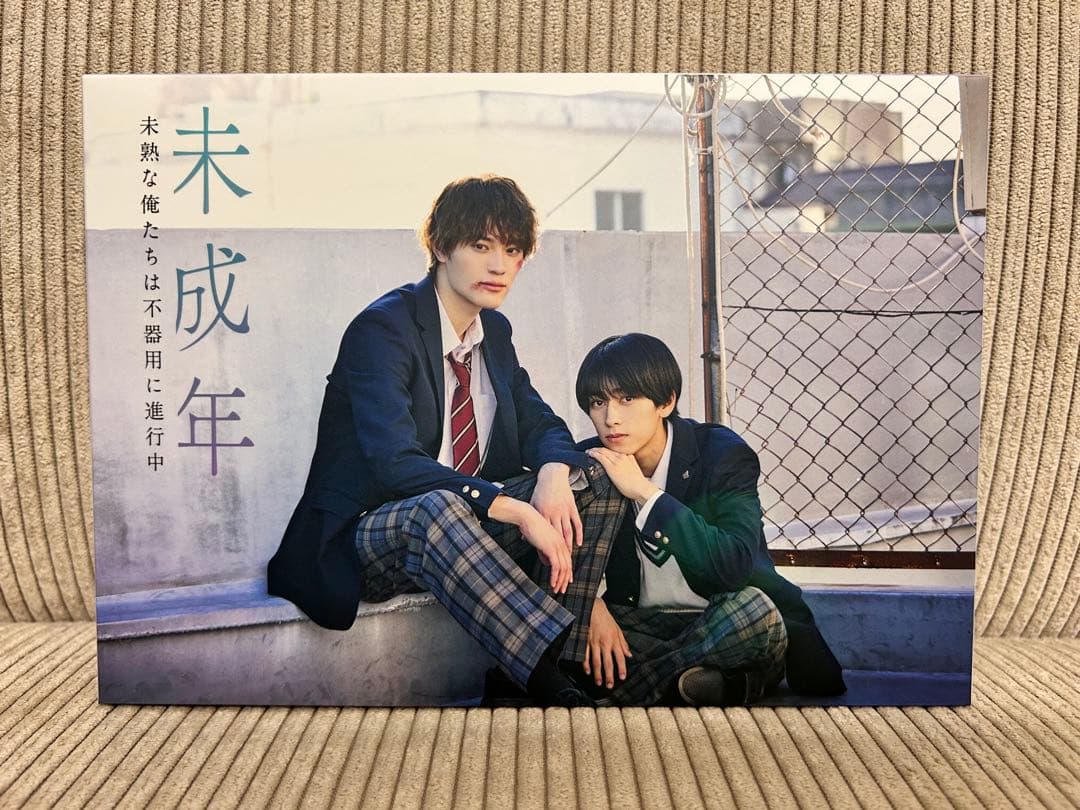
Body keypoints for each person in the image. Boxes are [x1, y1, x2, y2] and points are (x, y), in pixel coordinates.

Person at [267, 176, 626, 707]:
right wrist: (515, 509)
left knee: (593, 474)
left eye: (512, 250)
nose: (498, 265)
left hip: (466, 531)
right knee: (438, 507)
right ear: (439, 246)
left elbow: (541, 423)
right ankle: (553, 688)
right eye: (481, 246)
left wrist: (553, 473)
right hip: (372, 536)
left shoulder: (494, 334)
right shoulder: (382, 330)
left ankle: (543, 675)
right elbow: (394, 462)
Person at [574, 333, 846, 706]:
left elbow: (733, 566)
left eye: (627, 399)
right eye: (598, 402)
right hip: (645, 625)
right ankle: (716, 685)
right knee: (563, 628)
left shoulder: (722, 455)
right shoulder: (593, 462)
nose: (610, 418)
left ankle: (620, 696)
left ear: (666, 402)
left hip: (723, 620)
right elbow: (555, 554)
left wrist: (647, 495)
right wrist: (591, 605)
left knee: (752, 611)